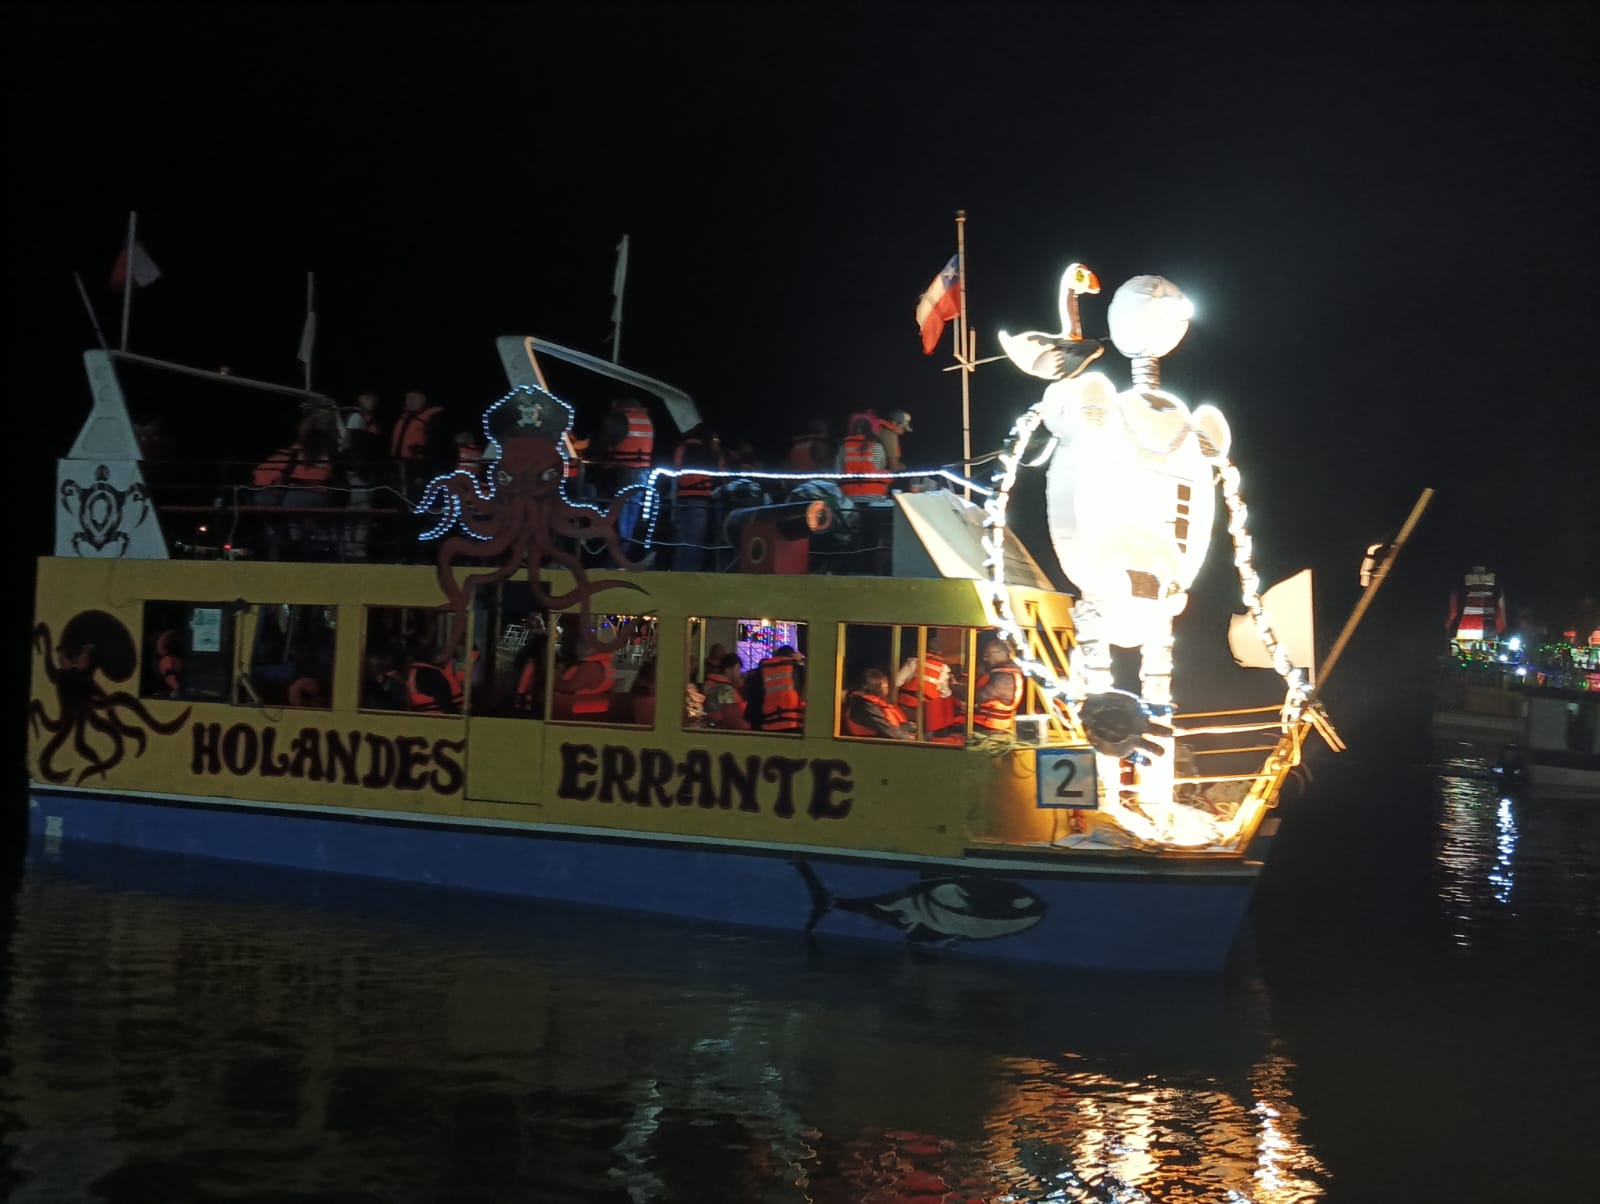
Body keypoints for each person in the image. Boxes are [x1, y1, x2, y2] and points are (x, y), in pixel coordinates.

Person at [596, 397, 654, 552]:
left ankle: (612, 553)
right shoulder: (646, 420)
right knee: (631, 514)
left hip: (621, 474)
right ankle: (625, 552)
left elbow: (599, 447)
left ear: (616, 405)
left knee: (616, 513)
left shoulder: (617, 420)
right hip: (643, 475)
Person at [671, 426, 722, 571]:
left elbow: (676, 469)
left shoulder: (682, 448)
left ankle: (677, 571)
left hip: (682, 498)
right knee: (696, 539)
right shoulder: (709, 452)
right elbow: (720, 473)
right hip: (700, 499)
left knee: (681, 539)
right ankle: (691, 573)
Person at [894, 631, 958, 737]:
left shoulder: (914, 662)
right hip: (926, 712)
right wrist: (953, 686)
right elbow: (945, 694)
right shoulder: (943, 668)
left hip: (906, 707)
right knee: (927, 735)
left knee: (903, 734)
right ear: (940, 652)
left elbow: (897, 682)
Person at [390, 390, 445, 496]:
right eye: (408, 398)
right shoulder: (404, 418)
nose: (410, 401)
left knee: (417, 498)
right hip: (400, 467)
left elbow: (435, 449)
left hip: (420, 467)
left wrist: (424, 472)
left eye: (414, 398)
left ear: (423, 399)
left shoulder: (434, 420)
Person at [972, 635, 1026, 735]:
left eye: (988, 655)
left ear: (1001, 653)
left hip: (990, 729)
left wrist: (952, 688)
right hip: (988, 726)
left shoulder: (1004, 677)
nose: (986, 659)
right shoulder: (1002, 673)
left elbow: (977, 696)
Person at [844, 668, 916, 740]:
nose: (886, 686)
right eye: (884, 684)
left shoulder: (874, 703)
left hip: (892, 733)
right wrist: (909, 738)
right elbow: (886, 729)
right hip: (871, 742)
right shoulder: (866, 706)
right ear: (876, 686)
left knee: (917, 729)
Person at [755, 644, 805, 732]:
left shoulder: (764, 669)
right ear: (792, 655)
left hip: (768, 723)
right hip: (792, 722)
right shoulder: (796, 668)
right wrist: (801, 660)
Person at [837, 415, 888, 497]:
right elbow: (880, 468)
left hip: (849, 495)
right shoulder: (876, 445)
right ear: (869, 430)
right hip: (874, 493)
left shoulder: (844, 446)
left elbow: (838, 471)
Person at [702, 653, 750, 730]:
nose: (740, 673)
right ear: (728, 670)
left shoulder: (710, 684)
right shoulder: (727, 691)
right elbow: (734, 719)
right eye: (737, 669)